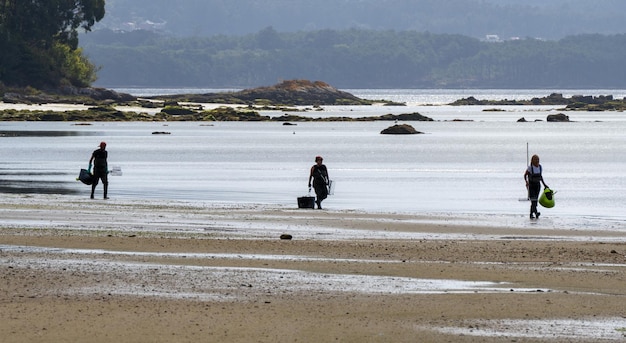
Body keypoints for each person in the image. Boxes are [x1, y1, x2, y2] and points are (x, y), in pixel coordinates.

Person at [524, 154, 548, 219]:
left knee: (535, 201)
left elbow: (540, 177)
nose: (537, 161)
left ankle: (531, 214)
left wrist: (544, 185)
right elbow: (525, 175)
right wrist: (526, 182)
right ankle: (536, 213)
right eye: (535, 159)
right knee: (533, 200)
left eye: (538, 159)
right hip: (531, 186)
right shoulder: (530, 168)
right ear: (532, 160)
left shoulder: (540, 167)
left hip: (537, 186)